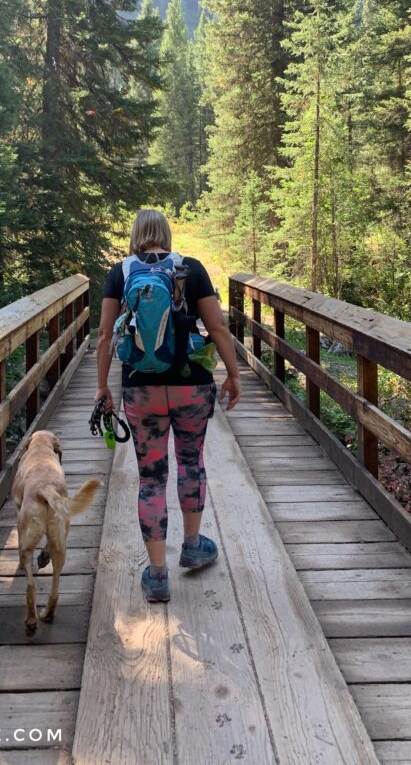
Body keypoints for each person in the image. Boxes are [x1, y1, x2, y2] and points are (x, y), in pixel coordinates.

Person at [95, 209, 242, 603]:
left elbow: (106, 335)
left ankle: (157, 574)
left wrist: (102, 389)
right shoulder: (190, 269)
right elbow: (218, 328)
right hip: (190, 387)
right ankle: (193, 546)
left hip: (140, 391)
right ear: (165, 233)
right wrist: (233, 373)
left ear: (136, 235)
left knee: (151, 478)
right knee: (191, 463)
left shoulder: (120, 272)